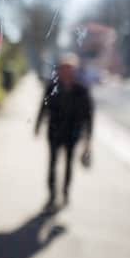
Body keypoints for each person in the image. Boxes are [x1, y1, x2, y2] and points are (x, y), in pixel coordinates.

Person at [35, 53, 93, 210]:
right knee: (53, 163)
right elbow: (43, 105)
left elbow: (89, 115)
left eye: (70, 68)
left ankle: (65, 193)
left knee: (68, 164)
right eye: (64, 68)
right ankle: (52, 196)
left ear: (75, 71)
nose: (66, 71)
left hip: (73, 134)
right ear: (59, 70)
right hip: (54, 131)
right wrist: (38, 125)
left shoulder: (82, 89)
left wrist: (88, 139)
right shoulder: (52, 87)